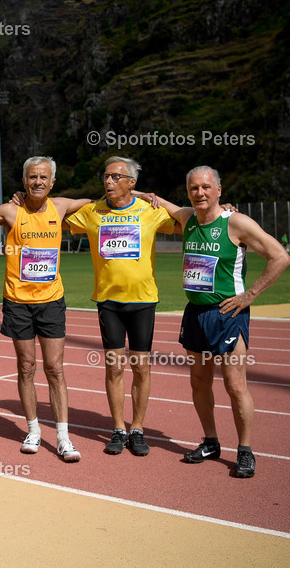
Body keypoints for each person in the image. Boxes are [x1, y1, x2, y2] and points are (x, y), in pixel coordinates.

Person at [147, 166, 290, 478]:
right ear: (188, 192)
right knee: (198, 382)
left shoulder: (235, 222)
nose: (200, 192)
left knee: (235, 385)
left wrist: (249, 295)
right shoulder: (187, 217)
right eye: (194, 188)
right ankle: (211, 442)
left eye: (206, 187)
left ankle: (246, 451)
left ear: (219, 190)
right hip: (196, 313)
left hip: (228, 313)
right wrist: (139, 192)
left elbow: (280, 256)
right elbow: (160, 203)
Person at [64, 156, 181, 456]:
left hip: (143, 301)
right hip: (108, 302)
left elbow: (186, 219)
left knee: (141, 367)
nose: (108, 181)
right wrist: (25, 197)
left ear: (132, 182)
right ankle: (118, 429)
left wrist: (145, 197)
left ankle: (138, 429)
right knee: (114, 367)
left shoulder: (149, 212)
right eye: (105, 176)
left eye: (116, 177)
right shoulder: (92, 212)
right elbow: (51, 214)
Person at [0, 157, 91, 460]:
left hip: (51, 300)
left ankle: (63, 436)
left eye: (44, 177)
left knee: (55, 369)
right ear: (24, 180)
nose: (38, 182)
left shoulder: (60, 206)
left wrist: (139, 196)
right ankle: (33, 430)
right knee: (26, 367)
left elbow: (102, 202)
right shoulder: (10, 211)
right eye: (32, 177)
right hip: (18, 301)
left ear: (52, 181)